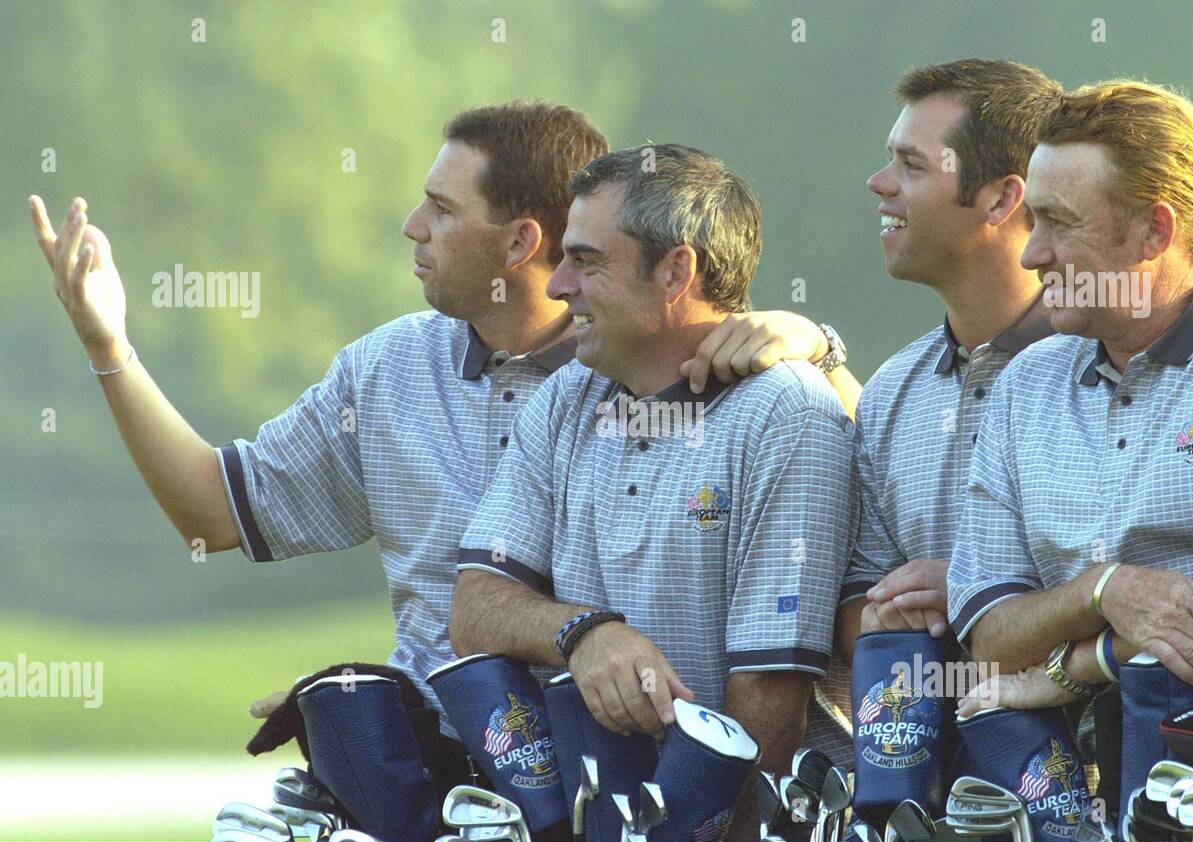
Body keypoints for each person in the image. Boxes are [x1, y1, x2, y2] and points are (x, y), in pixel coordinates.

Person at [29, 102, 854, 790]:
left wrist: (821, 347)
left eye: (443, 209)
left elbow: (821, 442)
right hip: (458, 779)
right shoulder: (398, 369)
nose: (410, 227)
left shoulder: (704, 374)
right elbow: (218, 514)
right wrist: (111, 348)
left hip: (631, 787)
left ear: (521, 242)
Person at [449, 145, 858, 842]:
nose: (558, 286)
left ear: (676, 272)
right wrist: (583, 632)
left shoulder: (787, 414)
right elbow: (475, 604)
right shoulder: (566, 397)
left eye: (588, 261)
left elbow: (767, 710)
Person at [947, 80, 1193, 721]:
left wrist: (1080, 666)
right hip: (1069, 790)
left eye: (1060, 222)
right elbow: (989, 643)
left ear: (1153, 231)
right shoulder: (1025, 381)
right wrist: (1100, 590)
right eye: (1033, 221)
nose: (1032, 254)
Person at [833, 58, 1062, 668]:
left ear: (1001, 198)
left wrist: (979, 595)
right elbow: (858, 611)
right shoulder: (889, 392)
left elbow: (1147, 581)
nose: (879, 183)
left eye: (911, 165)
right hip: (932, 757)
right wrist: (889, 609)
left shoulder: (1103, 370)